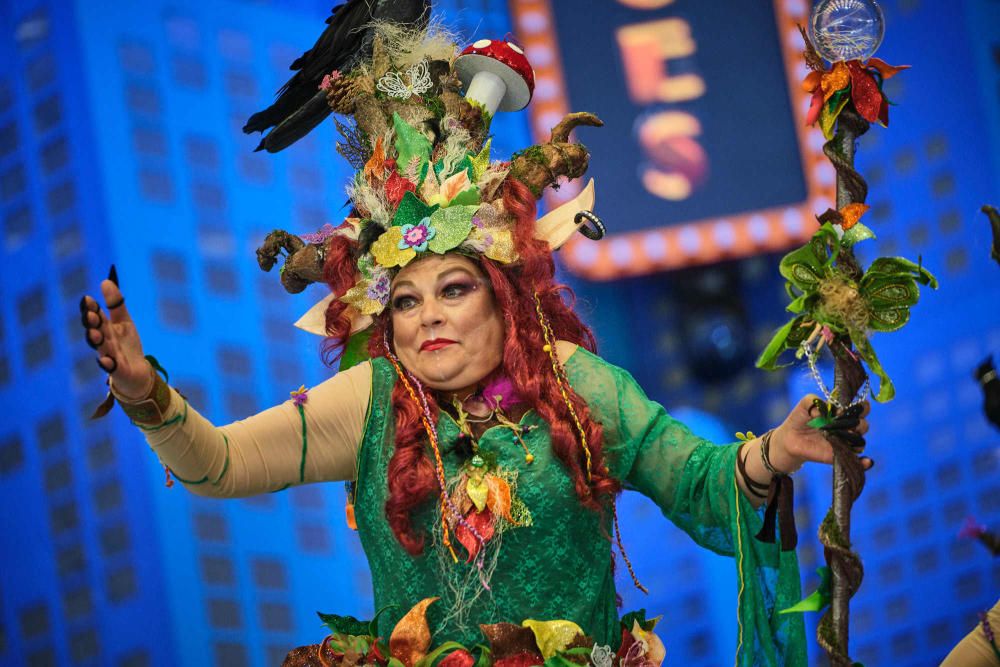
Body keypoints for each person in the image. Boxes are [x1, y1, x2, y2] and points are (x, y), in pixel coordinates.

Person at [80, 19, 870, 667]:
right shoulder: (371, 403)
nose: (427, 316)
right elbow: (215, 464)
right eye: (406, 299)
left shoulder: (578, 386)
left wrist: (779, 450)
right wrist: (148, 394)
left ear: (507, 297)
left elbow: (706, 485)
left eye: (453, 289)